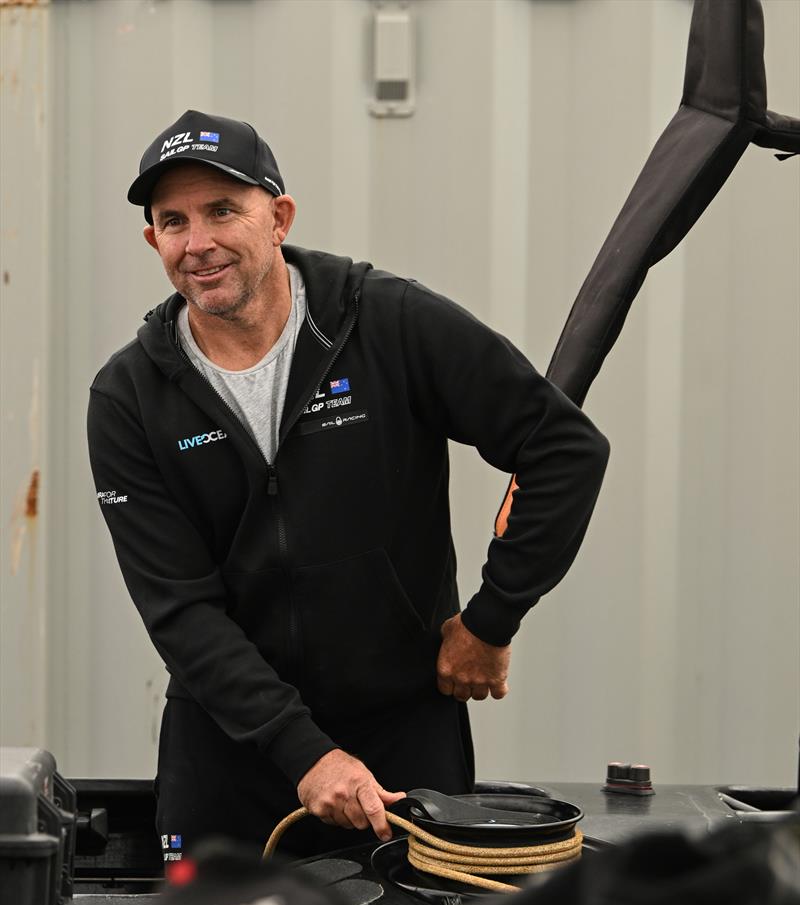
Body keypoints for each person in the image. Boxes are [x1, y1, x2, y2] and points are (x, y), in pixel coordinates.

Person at [88, 110, 609, 862]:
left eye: (222, 211)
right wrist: (303, 752)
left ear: (279, 217)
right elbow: (180, 609)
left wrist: (492, 619)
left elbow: (564, 447)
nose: (197, 242)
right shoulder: (129, 396)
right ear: (154, 241)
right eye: (173, 221)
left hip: (402, 736)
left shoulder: (389, 322)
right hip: (229, 751)